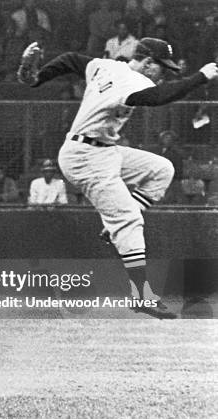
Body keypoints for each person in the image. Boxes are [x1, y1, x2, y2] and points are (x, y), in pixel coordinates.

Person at [17, 37, 218, 318]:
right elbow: (159, 97)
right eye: (162, 67)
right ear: (148, 63)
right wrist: (200, 77)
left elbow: (72, 59)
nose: (163, 73)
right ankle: (141, 294)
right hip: (85, 157)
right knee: (130, 221)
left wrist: (39, 76)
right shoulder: (131, 80)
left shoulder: (105, 66)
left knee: (162, 169)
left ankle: (115, 232)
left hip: (102, 151)